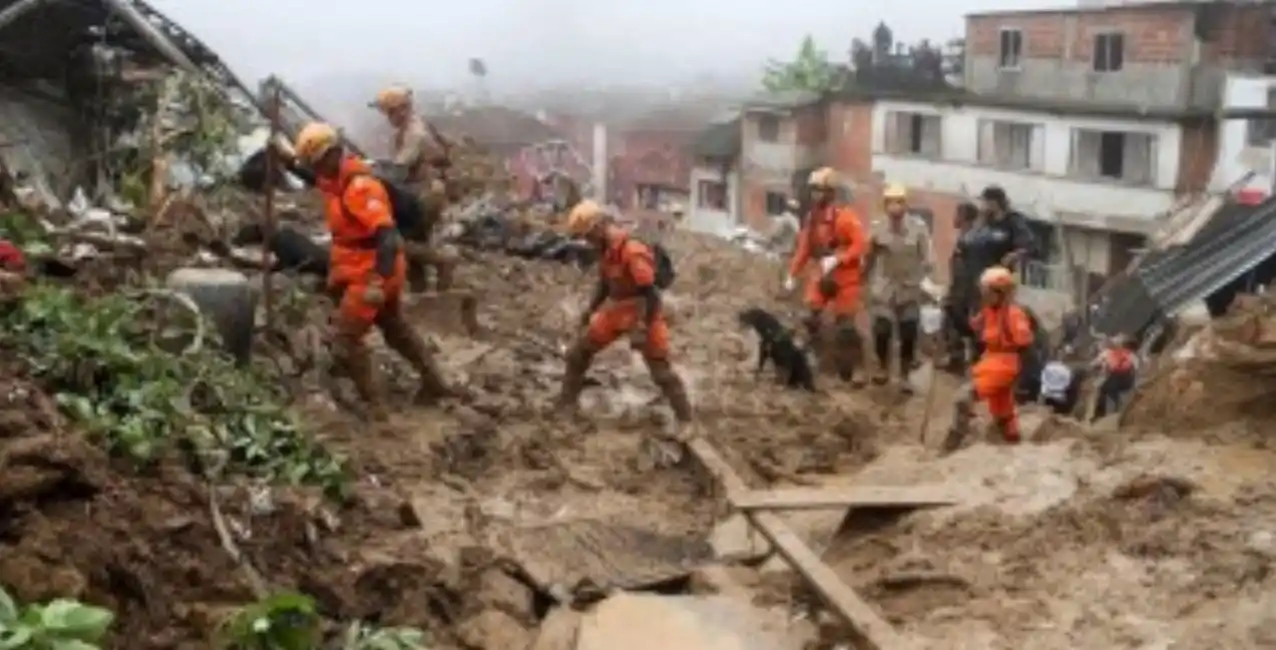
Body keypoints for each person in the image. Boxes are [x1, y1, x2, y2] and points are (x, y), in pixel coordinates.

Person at [291, 121, 460, 419]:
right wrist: (283, 157)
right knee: (395, 329)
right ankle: (435, 383)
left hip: (371, 272)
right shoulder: (336, 180)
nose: (315, 170)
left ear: (331, 155)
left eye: (315, 163)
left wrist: (375, 283)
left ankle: (377, 410)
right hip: (366, 268)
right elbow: (311, 178)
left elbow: (388, 237)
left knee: (346, 341)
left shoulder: (359, 188)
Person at [555, 200, 693, 433]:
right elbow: (605, 284)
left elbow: (651, 294)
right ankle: (565, 406)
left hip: (643, 310)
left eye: (588, 237)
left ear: (598, 227)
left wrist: (642, 326)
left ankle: (686, 420)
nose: (588, 243)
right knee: (579, 353)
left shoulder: (632, 251)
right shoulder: (607, 251)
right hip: (618, 309)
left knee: (660, 369)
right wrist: (589, 311)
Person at [369, 85, 459, 292]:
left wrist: (373, 172)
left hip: (424, 193)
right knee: (415, 241)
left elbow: (399, 169)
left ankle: (443, 260)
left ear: (401, 109)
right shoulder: (412, 127)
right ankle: (424, 293)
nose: (388, 117)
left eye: (390, 112)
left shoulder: (414, 134)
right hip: (421, 190)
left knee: (402, 243)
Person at [784, 168, 867, 384]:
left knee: (845, 323)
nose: (816, 196)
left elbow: (860, 245)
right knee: (811, 316)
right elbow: (804, 248)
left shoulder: (845, 218)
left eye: (820, 191)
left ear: (831, 192)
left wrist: (839, 258)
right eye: (814, 191)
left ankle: (854, 368)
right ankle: (817, 361)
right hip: (821, 272)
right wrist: (792, 274)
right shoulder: (812, 219)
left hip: (844, 275)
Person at [943, 266, 1034, 452]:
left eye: (988, 291)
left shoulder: (1014, 314)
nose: (984, 295)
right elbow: (971, 330)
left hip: (1004, 364)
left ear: (1001, 293)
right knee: (1003, 414)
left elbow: (1025, 342)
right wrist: (953, 313)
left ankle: (953, 445)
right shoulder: (988, 311)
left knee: (964, 397)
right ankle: (1013, 443)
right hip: (991, 361)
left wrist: (1020, 374)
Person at [864, 183, 932, 392]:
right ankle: (883, 368)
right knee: (882, 328)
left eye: (899, 202)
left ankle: (904, 374)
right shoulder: (877, 227)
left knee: (908, 331)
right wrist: (862, 280)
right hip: (884, 286)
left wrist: (929, 284)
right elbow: (868, 258)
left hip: (910, 287)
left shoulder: (918, 228)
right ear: (885, 206)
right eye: (891, 203)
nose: (895, 208)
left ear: (905, 205)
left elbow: (928, 259)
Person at [943, 202, 980, 372]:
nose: (954, 218)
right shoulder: (964, 237)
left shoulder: (971, 239)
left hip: (966, 292)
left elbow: (968, 269)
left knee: (968, 325)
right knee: (953, 322)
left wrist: (959, 294)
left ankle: (970, 362)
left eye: (957, 214)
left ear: (964, 217)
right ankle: (956, 360)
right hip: (959, 288)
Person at [1091, 334, 1138, 420]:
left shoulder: (1107, 353)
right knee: (1112, 390)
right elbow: (1136, 369)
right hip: (1127, 383)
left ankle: (1099, 415)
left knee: (1102, 389)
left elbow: (1093, 365)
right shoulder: (1131, 355)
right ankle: (1118, 410)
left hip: (1113, 382)